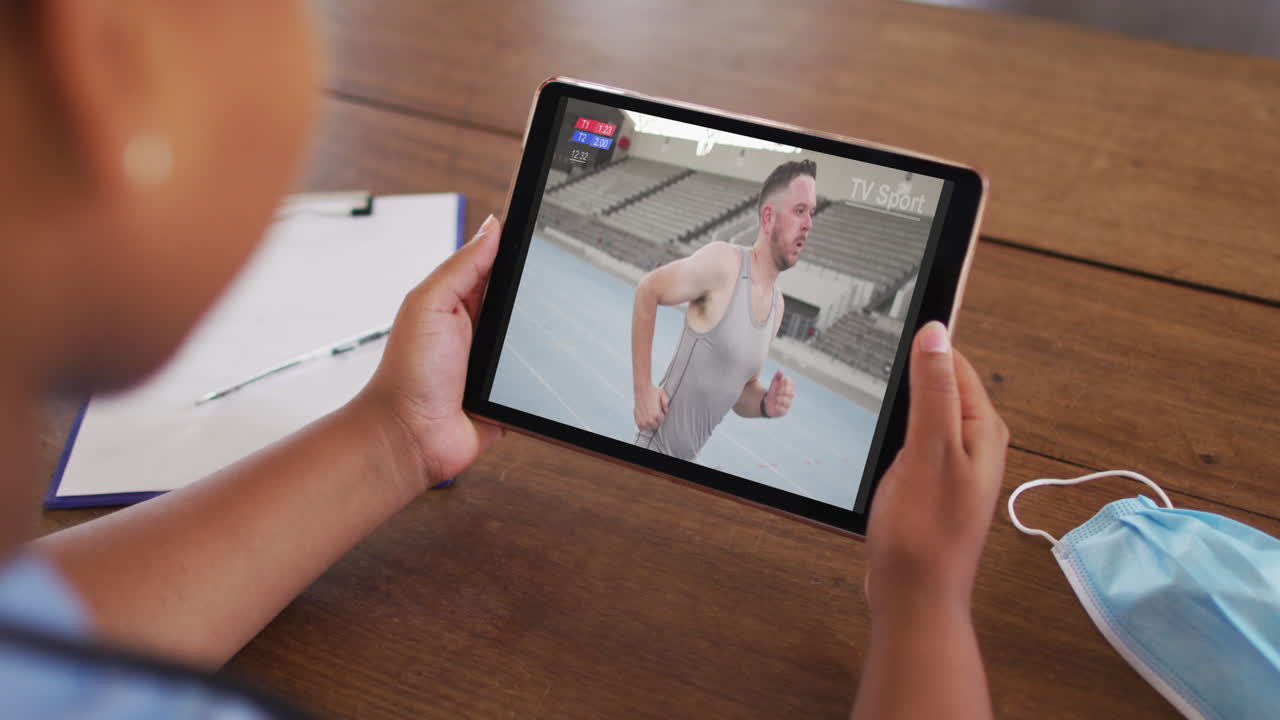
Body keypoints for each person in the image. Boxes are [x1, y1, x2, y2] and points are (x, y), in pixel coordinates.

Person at [0, 4, 1008, 718]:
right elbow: (650, 298)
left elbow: (39, 633)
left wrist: (396, 437)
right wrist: (923, 600)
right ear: (105, 58)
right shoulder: (713, 262)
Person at [630, 160, 812, 461]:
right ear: (768, 217)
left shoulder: (777, 306)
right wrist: (642, 390)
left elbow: (741, 393)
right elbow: (649, 289)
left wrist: (765, 404)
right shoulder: (724, 263)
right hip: (654, 448)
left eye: (811, 213)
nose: (808, 224)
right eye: (799, 211)